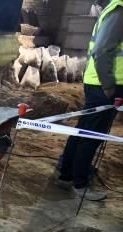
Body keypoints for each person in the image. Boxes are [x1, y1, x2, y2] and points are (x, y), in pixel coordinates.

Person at [56, 0, 123, 201]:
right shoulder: (120, 10)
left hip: (100, 83)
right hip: (105, 84)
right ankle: (80, 182)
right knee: (92, 135)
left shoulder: (115, 9)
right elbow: (102, 50)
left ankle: (67, 174)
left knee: (83, 130)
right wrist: (110, 87)